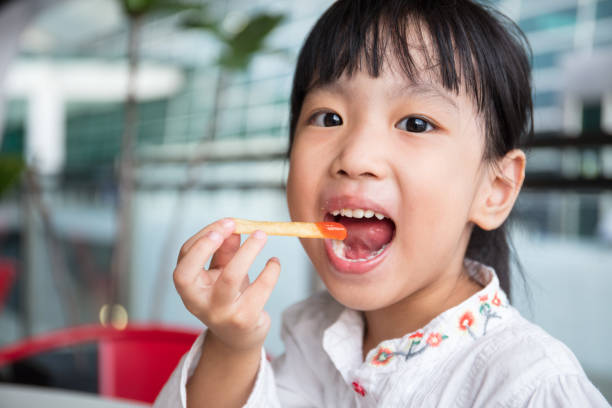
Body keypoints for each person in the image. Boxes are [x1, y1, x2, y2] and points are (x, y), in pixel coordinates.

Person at [154, 0, 610, 406]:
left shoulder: (531, 388)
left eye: (415, 123)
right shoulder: (317, 339)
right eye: (328, 117)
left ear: (494, 191)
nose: (355, 158)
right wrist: (233, 343)